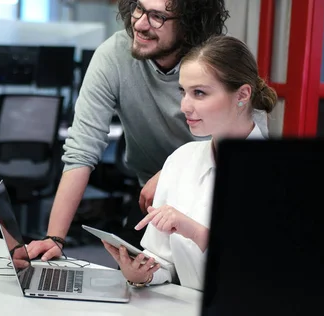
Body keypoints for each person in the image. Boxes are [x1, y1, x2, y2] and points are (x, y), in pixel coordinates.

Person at [27, 0, 231, 261]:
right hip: (150, 200)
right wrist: (54, 238)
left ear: (189, 25)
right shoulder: (114, 54)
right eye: (139, 8)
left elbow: (244, 145)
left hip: (209, 203)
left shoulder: (218, 61)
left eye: (157, 16)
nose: (140, 24)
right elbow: (81, 149)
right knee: (131, 280)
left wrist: (172, 172)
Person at [103, 35, 278, 291]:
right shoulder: (181, 159)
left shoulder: (279, 172)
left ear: (242, 95)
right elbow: (162, 261)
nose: (184, 106)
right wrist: (143, 273)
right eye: (183, 92)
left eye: (199, 93)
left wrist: (195, 231)